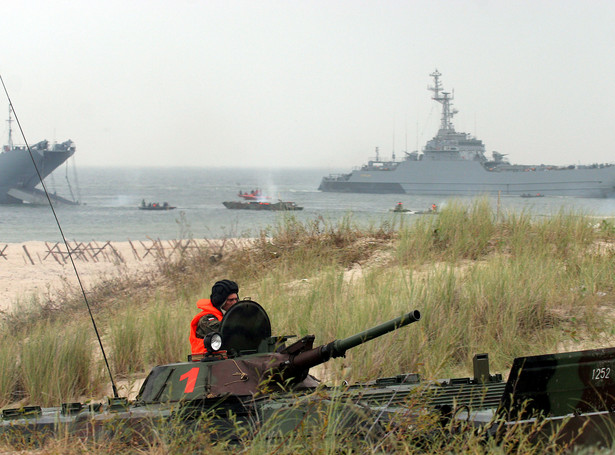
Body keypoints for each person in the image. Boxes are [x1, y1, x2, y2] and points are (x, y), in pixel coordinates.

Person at [189, 279, 239, 355]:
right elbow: (224, 330)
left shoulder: (227, 315)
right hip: (207, 360)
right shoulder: (206, 319)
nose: (234, 303)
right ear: (222, 302)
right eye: (231, 300)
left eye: (236, 299)